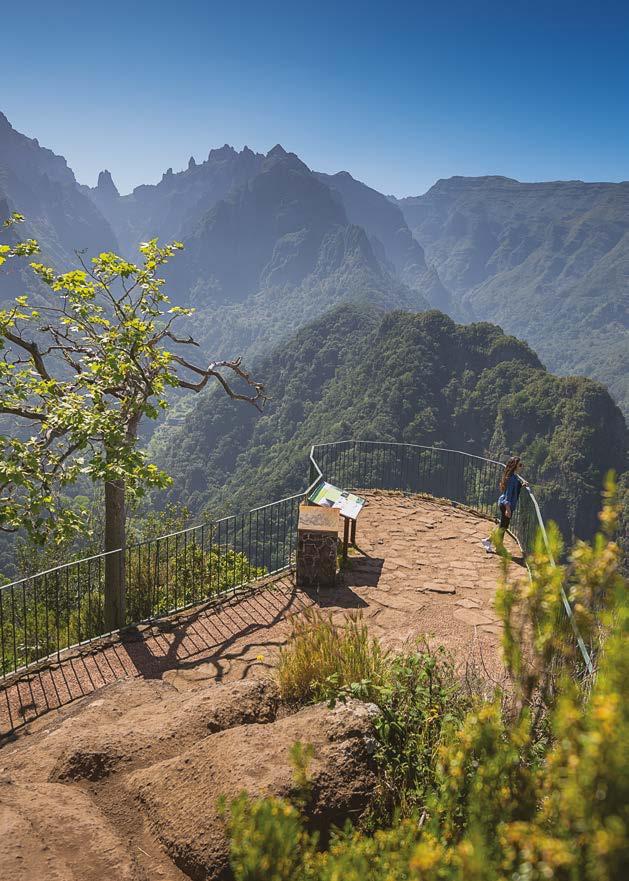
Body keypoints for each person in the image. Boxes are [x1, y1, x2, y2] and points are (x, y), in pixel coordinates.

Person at [481, 456, 528, 553]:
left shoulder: (513, 477)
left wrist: (521, 485)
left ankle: (492, 543)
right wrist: (508, 508)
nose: (521, 466)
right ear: (515, 466)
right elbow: (508, 494)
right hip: (506, 505)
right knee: (503, 526)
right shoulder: (511, 478)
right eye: (520, 465)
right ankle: (493, 544)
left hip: (506, 504)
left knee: (503, 525)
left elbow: (514, 488)